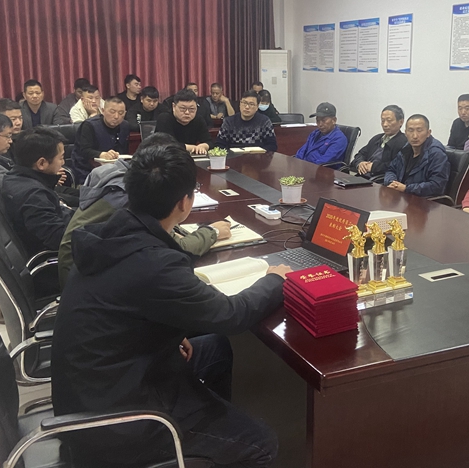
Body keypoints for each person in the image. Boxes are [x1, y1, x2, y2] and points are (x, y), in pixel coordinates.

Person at [51, 142, 290, 468]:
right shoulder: (155, 263)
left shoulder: (113, 231)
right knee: (262, 444)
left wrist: (169, 336)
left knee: (216, 348)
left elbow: (129, 306)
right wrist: (274, 279)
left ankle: (207, 443)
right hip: (117, 422)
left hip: (97, 386)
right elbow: (230, 315)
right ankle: (195, 444)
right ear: (184, 202)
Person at [58, 133, 232, 288]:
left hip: (79, 264)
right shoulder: (130, 192)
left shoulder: (112, 171)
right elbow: (177, 247)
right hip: (87, 275)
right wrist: (212, 232)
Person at [1, 127, 73, 257]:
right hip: (62, 258)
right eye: (61, 158)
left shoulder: (13, 177)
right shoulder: (34, 196)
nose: (63, 163)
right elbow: (61, 239)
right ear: (41, 163)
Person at [384, 114, 449, 197]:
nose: (415, 136)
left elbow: (437, 186)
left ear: (428, 133)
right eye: (410, 130)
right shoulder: (406, 149)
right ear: (405, 133)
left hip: (424, 201)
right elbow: (391, 169)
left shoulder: (437, 154)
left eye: (419, 130)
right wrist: (392, 182)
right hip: (402, 197)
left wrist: (406, 188)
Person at [71, 97, 130, 183]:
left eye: (121, 113)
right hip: (88, 170)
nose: (116, 116)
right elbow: (84, 151)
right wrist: (101, 154)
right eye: (112, 112)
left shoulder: (125, 126)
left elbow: (124, 150)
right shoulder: (89, 125)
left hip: (116, 170)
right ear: (103, 111)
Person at [351, 105, 408, 179]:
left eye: (389, 120)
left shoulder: (404, 142)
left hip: (379, 180)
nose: (385, 124)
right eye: (383, 120)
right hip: (362, 176)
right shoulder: (377, 138)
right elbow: (360, 154)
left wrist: (373, 167)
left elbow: (397, 166)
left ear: (401, 122)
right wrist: (360, 163)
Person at [155, 90, 211, 154]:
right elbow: (167, 145)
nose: (187, 112)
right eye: (183, 109)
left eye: (191, 109)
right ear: (174, 106)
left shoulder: (198, 119)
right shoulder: (164, 118)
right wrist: (193, 148)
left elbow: (209, 141)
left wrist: (203, 146)